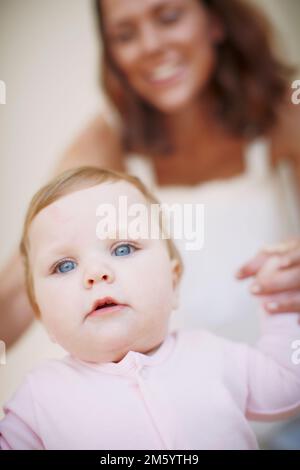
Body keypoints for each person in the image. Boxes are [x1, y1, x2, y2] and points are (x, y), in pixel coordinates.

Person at [1, 0, 300, 347]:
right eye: (125, 36)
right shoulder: (105, 141)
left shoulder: (286, 111)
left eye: (169, 18)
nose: (150, 46)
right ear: (112, 54)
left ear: (215, 21)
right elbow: (18, 290)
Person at [0, 166, 299, 450]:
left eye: (123, 248)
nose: (95, 272)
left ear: (174, 281)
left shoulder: (213, 354)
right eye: (64, 266)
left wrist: (279, 303)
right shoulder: (38, 400)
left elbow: (288, 383)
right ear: (42, 316)